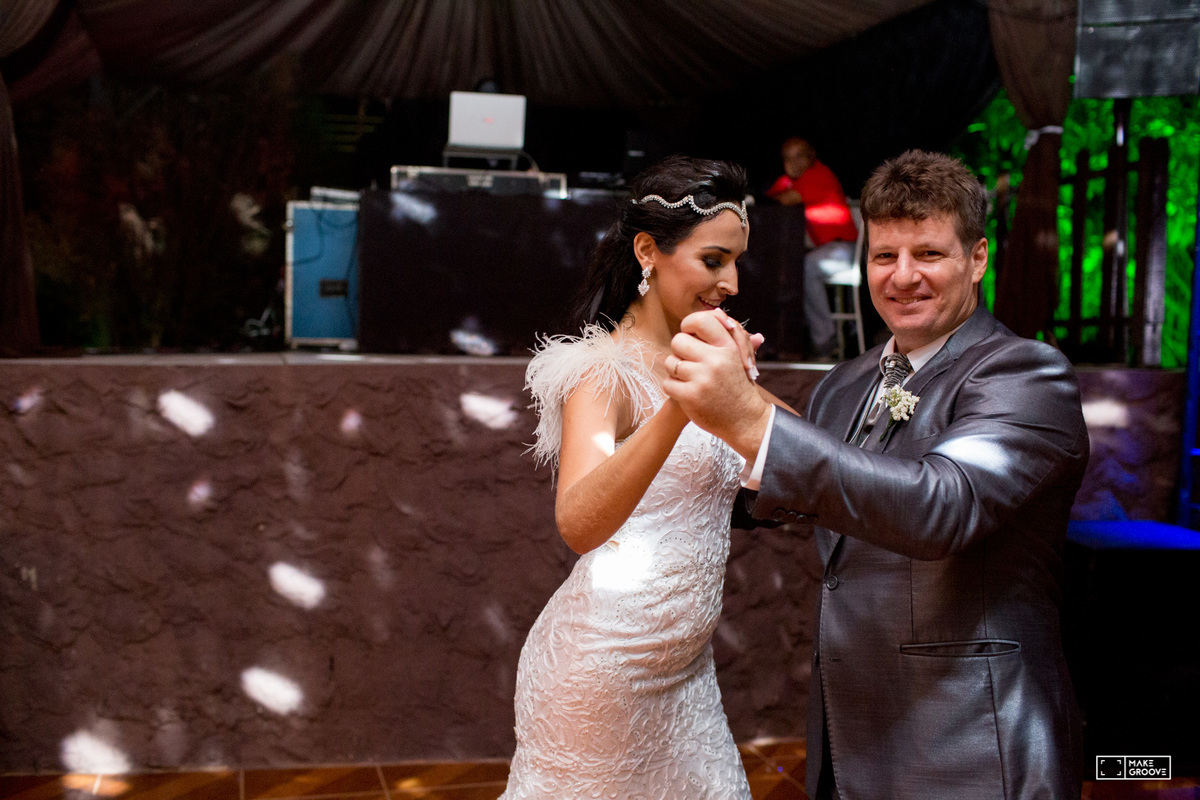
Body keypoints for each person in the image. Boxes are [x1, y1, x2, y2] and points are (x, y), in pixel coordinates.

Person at [665, 150, 1087, 799]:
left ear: (977, 258)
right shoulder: (846, 383)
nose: (903, 276)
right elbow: (816, 493)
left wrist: (751, 418)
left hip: (971, 742)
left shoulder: (1026, 374)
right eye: (885, 255)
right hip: (852, 733)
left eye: (929, 254)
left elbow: (941, 507)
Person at [500, 156, 792, 799]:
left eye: (736, 262)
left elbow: (804, 455)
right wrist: (680, 407)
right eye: (713, 260)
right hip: (599, 676)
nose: (732, 283)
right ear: (647, 252)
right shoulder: (602, 371)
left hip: (687, 677)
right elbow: (578, 524)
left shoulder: (708, 360)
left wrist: (739, 392)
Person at [766, 137, 859, 358]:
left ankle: (824, 340)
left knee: (805, 266)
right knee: (788, 267)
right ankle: (781, 341)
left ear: (811, 156)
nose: (794, 162)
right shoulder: (793, 180)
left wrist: (780, 191)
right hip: (828, 250)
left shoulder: (818, 174)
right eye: (788, 158)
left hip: (845, 250)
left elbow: (785, 199)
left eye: (799, 155)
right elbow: (768, 198)